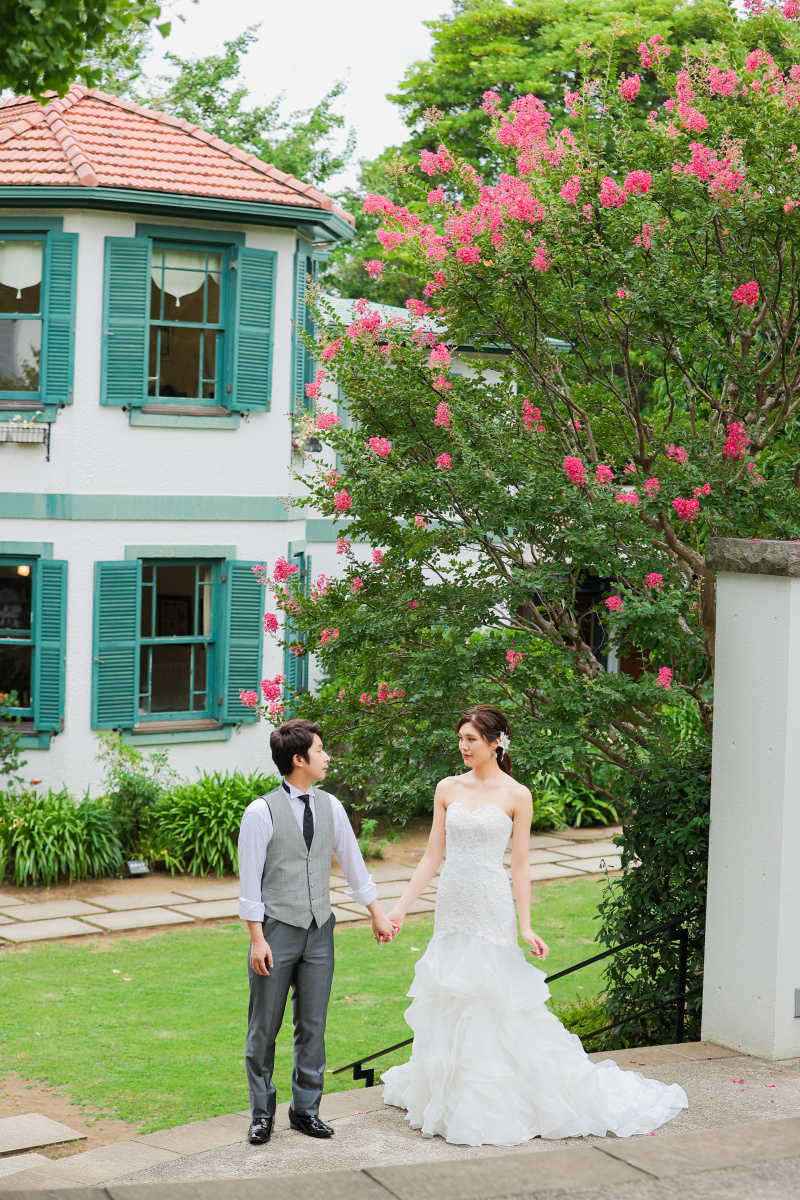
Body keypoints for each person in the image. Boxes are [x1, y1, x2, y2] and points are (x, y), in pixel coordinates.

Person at [382, 704, 688, 1146]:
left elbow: (521, 865)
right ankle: (451, 1095)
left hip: (490, 904)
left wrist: (526, 925)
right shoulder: (446, 787)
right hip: (452, 903)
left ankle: (492, 1100)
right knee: (450, 992)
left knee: (492, 996)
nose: (463, 746)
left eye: (471, 739)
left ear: (494, 742)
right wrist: (399, 910)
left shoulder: (517, 795)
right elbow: (432, 855)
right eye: (461, 739)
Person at [238, 718, 396, 1146]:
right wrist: (257, 938)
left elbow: (353, 863)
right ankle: (261, 1114)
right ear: (299, 759)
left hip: (320, 931)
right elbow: (250, 883)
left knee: (313, 1025)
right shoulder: (261, 812)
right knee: (263, 1028)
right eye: (321, 750)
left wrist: (376, 913)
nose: (328, 757)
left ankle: (306, 1111)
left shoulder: (332, 806)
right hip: (276, 932)